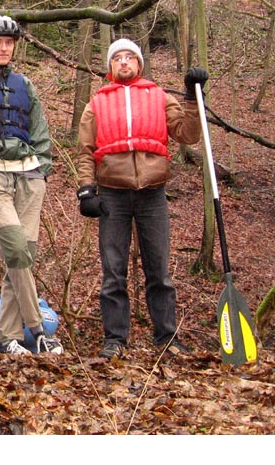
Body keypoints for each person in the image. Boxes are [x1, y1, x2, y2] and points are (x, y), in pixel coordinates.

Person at [75, 37, 208, 359]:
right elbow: (85, 151)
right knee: (113, 271)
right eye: (117, 58)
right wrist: (86, 189)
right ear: (110, 67)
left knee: (158, 271)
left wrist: (193, 97)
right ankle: (115, 340)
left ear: (139, 64)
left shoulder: (160, 97)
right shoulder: (96, 104)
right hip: (112, 194)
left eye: (129, 57)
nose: (123, 61)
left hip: (152, 193)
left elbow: (188, 134)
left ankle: (167, 338)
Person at [0, 15, 63, 356]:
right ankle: (38, 329)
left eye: (8, 42)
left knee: (21, 258)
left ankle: (9, 339)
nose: (3, 48)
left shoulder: (25, 85)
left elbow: (40, 131)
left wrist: (42, 170)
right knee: (16, 249)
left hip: (29, 175)